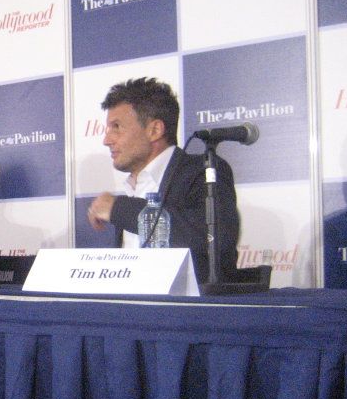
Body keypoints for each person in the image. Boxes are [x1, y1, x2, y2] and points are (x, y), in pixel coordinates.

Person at [87, 77, 240, 282]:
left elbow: (212, 239)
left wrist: (119, 209)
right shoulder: (133, 187)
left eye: (117, 126)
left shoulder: (205, 171)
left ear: (154, 130)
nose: (107, 140)